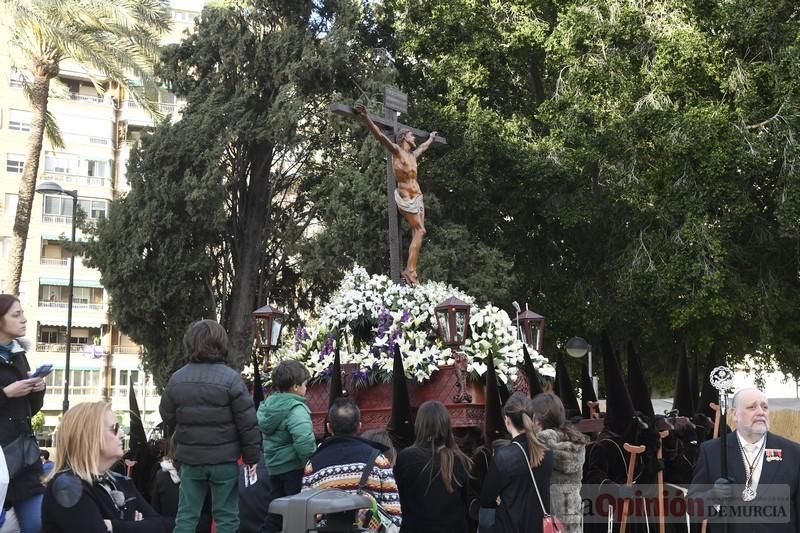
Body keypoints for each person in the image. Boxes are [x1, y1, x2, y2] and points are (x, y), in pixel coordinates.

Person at [159, 320, 262, 533]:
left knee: (186, 516)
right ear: (221, 344)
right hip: (223, 460)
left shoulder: (177, 379)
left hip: (190, 460)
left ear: (190, 344)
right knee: (226, 517)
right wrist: (252, 457)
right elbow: (247, 422)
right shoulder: (232, 379)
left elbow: (167, 415)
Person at [41, 401, 167, 532]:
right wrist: (139, 526)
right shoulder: (67, 486)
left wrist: (116, 526)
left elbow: (164, 526)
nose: (122, 435)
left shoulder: (120, 481)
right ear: (90, 436)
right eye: (114, 429)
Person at [688, 387, 800, 533]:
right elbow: (692, 508)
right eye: (752, 407)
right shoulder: (711, 452)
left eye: (764, 407)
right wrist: (713, 496)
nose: (761, 412)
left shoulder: (793, 452)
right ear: (735, 414)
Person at [355, 103, 437, 286]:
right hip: (406, 198)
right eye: (411, 135)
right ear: (404, 137)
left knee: (420, 232)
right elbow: (380, 136)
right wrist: (366, 117)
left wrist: (431, 138)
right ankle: (410, 270)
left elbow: (423, 148)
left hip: (418, 197)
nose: (414, 137)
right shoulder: (397, 152)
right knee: (420, 230)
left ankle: (411, 269)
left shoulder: (413, 156)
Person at [302, 397, 401, 519]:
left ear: (329, 427)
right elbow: (395, 514)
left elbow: (306, 514)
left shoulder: (312, 465)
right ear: (359, 426)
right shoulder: (378, 459)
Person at [0, 294, 46, 532]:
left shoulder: (19, 355)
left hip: (26, 460)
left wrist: (37, 388)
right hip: (1, 464)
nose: (24, 320)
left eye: (23, 313)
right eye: (16, 315)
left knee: (37, 524)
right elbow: (9, 397)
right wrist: (6, 393)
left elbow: (31, 409)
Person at [479, 393, 554, 533]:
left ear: (507, 421)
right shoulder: (547, 453)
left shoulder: (503, 457)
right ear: (532, 418)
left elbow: (486, 501)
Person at [394, 400, 472, 533]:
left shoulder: (405, 458)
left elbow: (398, 499)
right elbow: (467, 503)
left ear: (419, 425)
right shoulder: (459, 459)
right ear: (446, 425)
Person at [257, 360, 315, 533]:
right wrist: (309, 463)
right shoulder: (296, 408)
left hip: (275, 467)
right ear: (296, 386)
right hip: (294, 468)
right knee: (298, 512)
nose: (306, 388)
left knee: (277, 510)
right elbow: (304, 441)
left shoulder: (269, 406)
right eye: (305, 384)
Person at [531, 393, 588, 533]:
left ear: (537, 420)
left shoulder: (538, 447)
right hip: (572, 521)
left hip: (546, 523)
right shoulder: (576, 444)